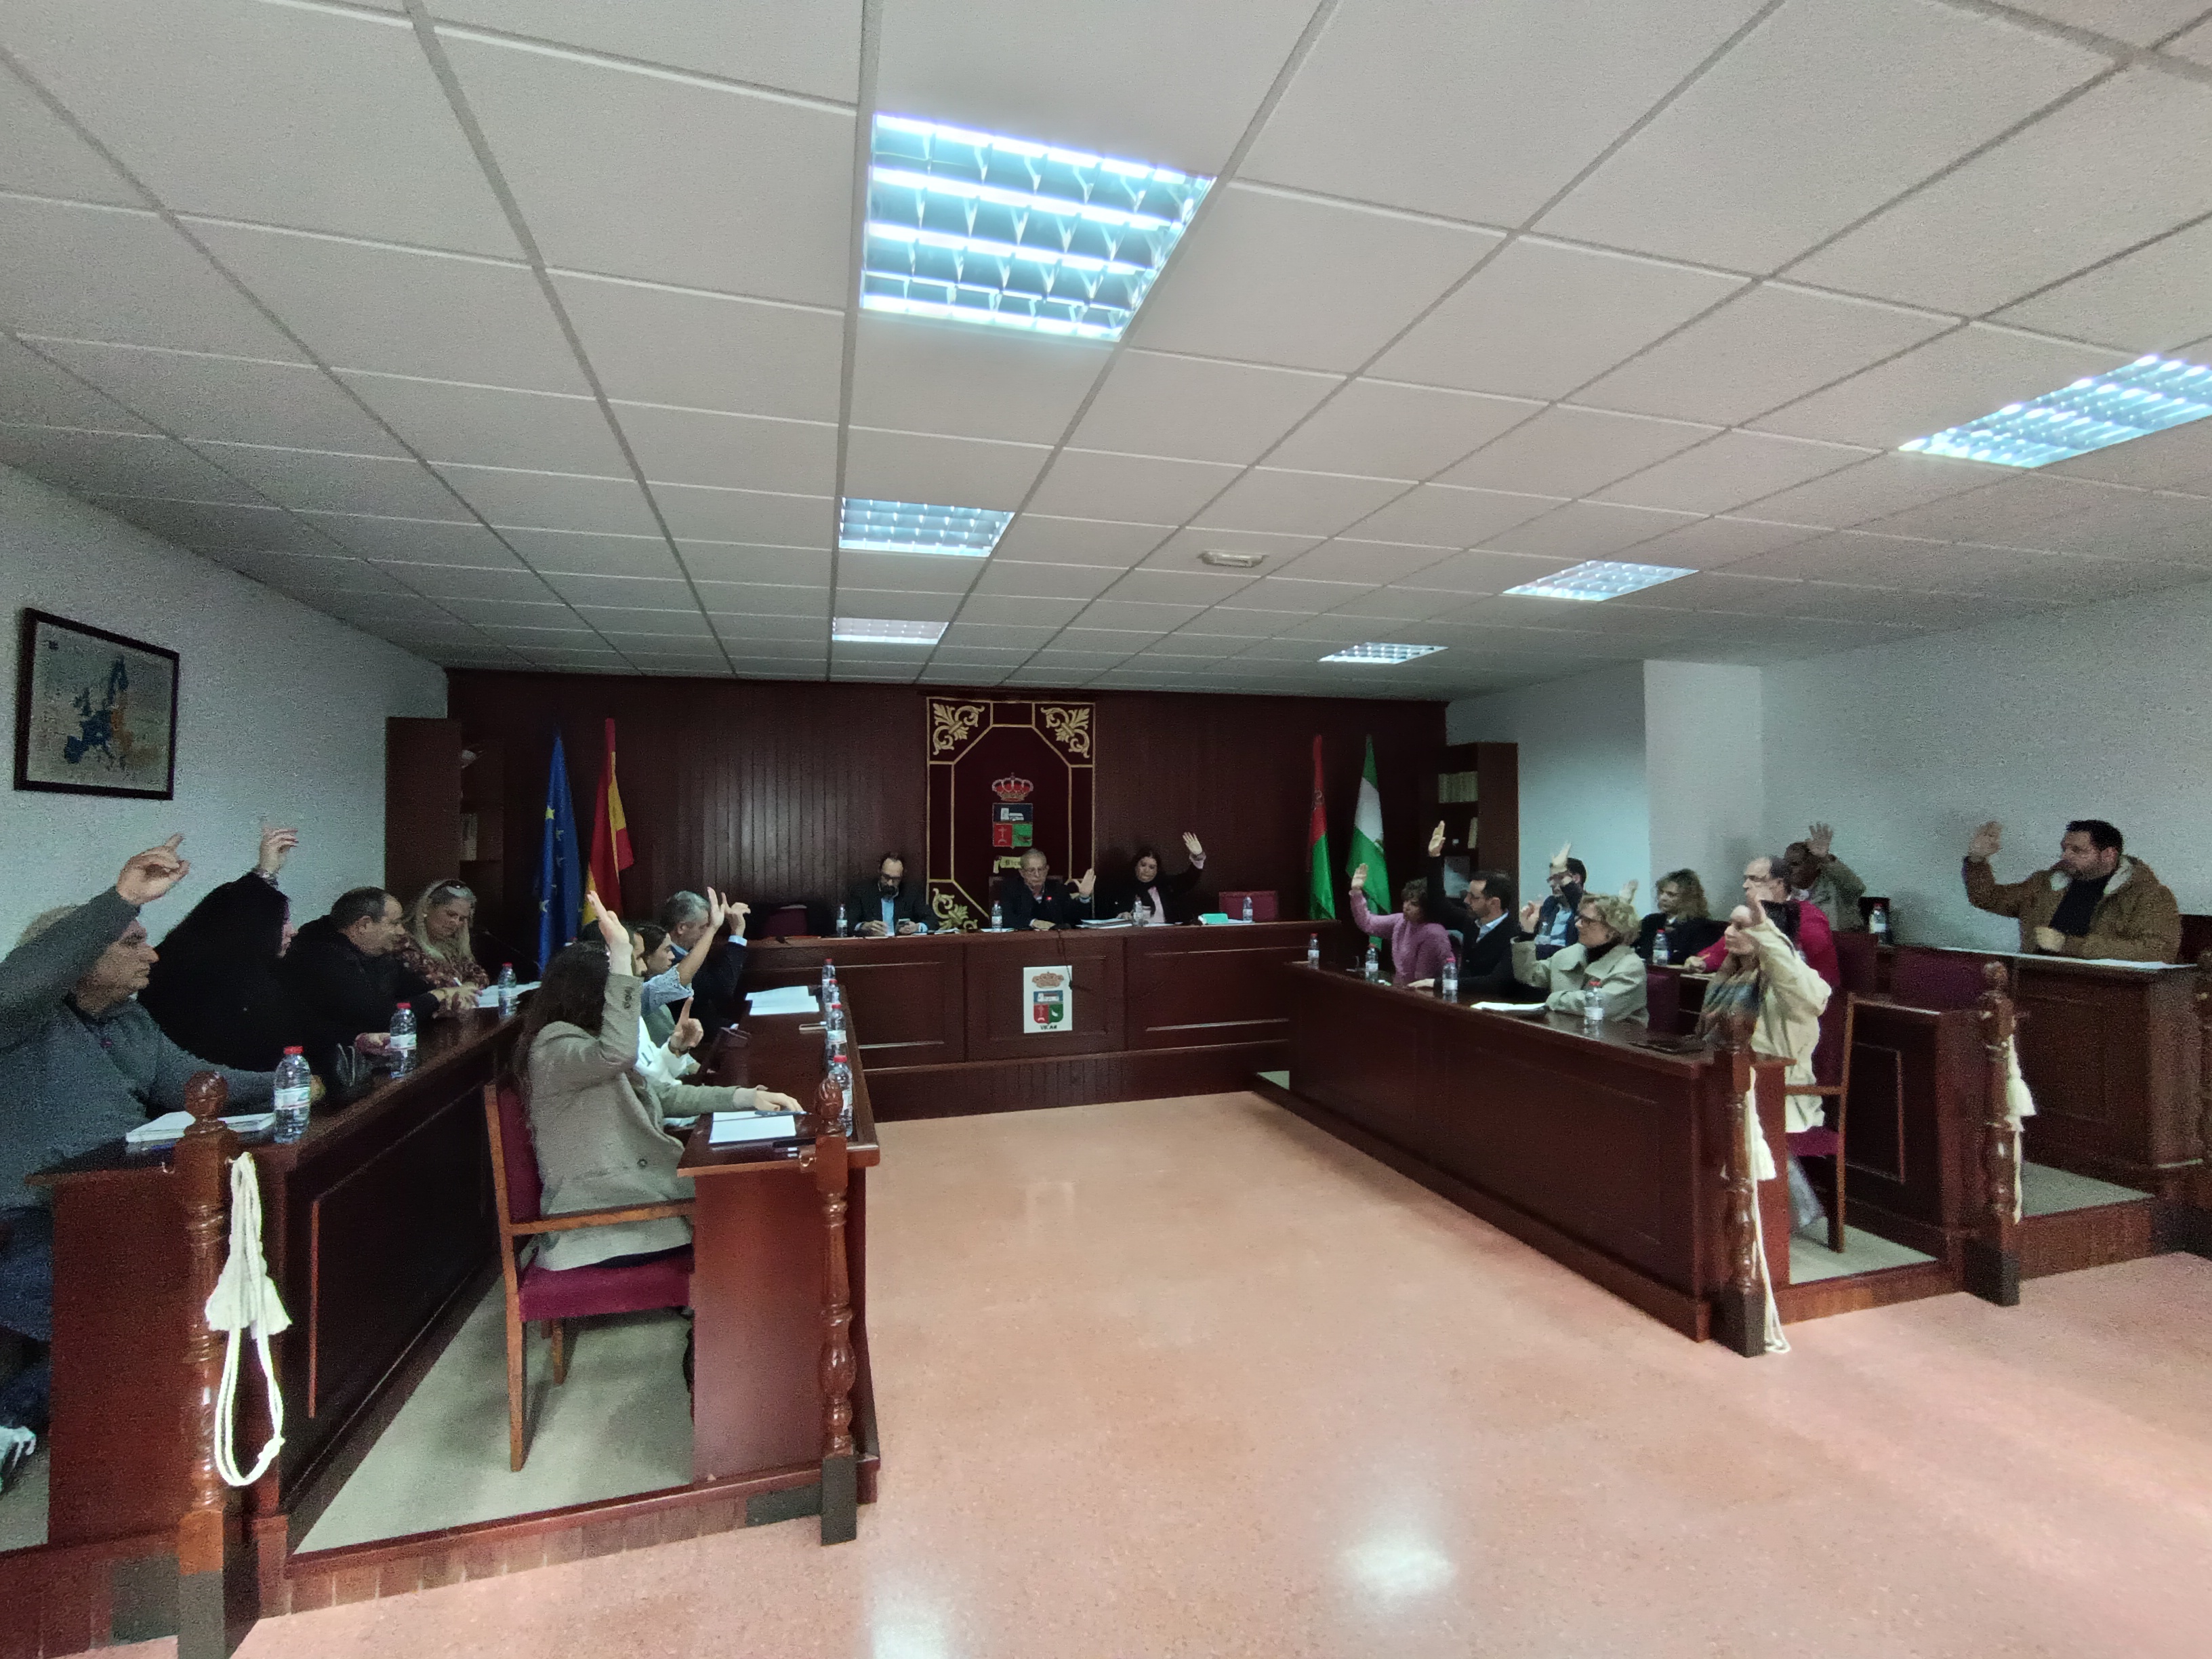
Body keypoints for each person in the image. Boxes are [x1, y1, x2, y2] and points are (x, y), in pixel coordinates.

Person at [0, 836, 280, 1483]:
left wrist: (296, 1078)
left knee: (209, 1287)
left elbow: (197, 1083)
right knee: (141, 1308)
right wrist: (121, 897)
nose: (151, 955)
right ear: (79, 957)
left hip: (118, 1207)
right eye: (131, 942)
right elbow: (23, 979)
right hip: (25, 1223)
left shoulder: (129, 1022)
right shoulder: (20, 1021)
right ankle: (19, 1418)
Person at [519, 903, 798, 1271]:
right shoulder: (555, 1048)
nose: (634, 994)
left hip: (636, 1193)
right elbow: (620, 1054)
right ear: (595, 994)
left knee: (760, 1191)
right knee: (753, 1212)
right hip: (604, 1219)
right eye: (624, 986)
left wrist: (747, 1098)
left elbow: (661, 1094)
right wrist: (621, 954)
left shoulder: (585, 1041)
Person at [1697, 894, 1834, 1232]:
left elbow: (1801, 985)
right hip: (1732, 1082)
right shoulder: (1731, 975)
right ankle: (1706, 1217)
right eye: (1730, 924)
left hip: (1780, 1092)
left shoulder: (1795, 982)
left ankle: (1756, 1222)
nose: (1728, 932)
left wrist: (1769, 936)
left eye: (1741, 927)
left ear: (1770, 934)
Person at [139, 823, 299, 1070]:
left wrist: (266, 874)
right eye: (283, 922)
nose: (293, 930)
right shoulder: (193, 978)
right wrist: (264, 872)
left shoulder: (246, 971)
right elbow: (235, 908)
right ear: (247, 929)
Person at [285, 887, 457, 1073]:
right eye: (394, 923)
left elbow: (416, 989)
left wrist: (440, 998)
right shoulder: (323, 958)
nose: (401, 931)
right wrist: (436, 998)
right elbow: (376, 1017)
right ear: (364, 925)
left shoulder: (377, 953)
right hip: (320, 1070)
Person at [1963, 819, 2181, 963]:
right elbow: (1987, 898)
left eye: (2077, 850)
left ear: (2108, 855)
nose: (2065, 856)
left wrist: (2067, 945)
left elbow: (2158, 951)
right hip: (2033, 980)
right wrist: (1977, 859)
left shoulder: (2149, 896)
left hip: (2103, 991)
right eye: (2064, 848)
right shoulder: (2046, 884)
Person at [1690, 855, 1839, 989]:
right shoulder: (1751, 914)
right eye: (1746, 879)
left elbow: (1823, 974)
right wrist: (1702, 962)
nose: (1745, 885)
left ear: (1779, 883)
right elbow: (1721, 950)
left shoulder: (1808, 916)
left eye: (1754, 879)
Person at [1422, 823, 1526, 998]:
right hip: (1463, 1000)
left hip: (1495, 1007)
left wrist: (1438, 983)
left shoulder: (1515, 935)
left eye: (1474, 897)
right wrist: (1434, 857)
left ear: (1494, 903)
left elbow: (1495, 983)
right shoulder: (1472, 922)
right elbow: (1440, 906)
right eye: (1467, 895)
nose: (1466, 901)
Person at [1513, 891, 1647, 1021]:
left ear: (1613, 930)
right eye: (1579, 918)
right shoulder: (1572, 953)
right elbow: (1529, 975)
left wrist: (1553, 999)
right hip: (1565, 1030)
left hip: (1614, 1035)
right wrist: (1527, 933)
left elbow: (1601, 1005)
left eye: (1588, 921)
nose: (1577, 925)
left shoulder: (1631, 967)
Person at [1349, 864, 1454, 989]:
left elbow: (1421, 978)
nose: (1406, 907)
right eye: (1406, 901)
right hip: (1402, 990)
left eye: (1414, 904)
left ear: (1427, 908)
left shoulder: (1434, 933)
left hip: (1423, 993)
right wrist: (1357, 891)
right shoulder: (1401, 921)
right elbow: (1368, 923)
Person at [659, 889, 748, 1032]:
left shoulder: (687, 950)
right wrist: (737, 932)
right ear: (681, 928)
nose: (706, 932)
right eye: (703, 927)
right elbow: (720, 990)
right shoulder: (666, 960)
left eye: (708, 926)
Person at [397, 878, 491, 996]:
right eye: (451, 914)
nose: (456, 923)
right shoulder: (406, 944)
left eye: (462, 919)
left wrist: (469, 986)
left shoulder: (450, 945)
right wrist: (460, 992)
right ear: (427, 907)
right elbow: (436, 984)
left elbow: (480, 975)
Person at [1098, 833, 1208, 925]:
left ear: (1157, 870)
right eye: (1143, 865)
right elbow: (1107, 913)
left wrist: (1198, 856)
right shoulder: (1121, 887)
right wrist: (1121, 916)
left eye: (1152, 867)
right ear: (1135, 865)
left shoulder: (1165, 886)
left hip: (1166, 936)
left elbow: (1189, 880)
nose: (1147, 870)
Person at [1783, 823, 1867, 934]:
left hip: (1838, 942)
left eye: (1795, 864)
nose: (1788, 869)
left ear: (1815, 865)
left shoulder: (1837, 887)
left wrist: (1825, 858)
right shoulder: (1782, 890)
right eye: (1786, 864)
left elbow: (1857, 888)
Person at [1635, 868, 1726, 963]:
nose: (1663, 898)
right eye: (1661, 892)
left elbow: (1696, 960)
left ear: (1688, 899)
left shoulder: (1702, 927)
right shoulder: (1651, 921)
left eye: (1671, 895)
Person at [997, 850, 1096, 931]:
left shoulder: (1058, 890)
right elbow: (1006, 919)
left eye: (1041, 869)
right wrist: (1033, 923)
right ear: (1022, 873)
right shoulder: (1011, 890)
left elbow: (1075, 919)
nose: (1037, 875)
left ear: (1047, 870)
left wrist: (1084, 897)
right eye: (1031, 870)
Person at [846, 854, 930, 937]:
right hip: (872, 944)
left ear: (902, 877)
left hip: (902, 944)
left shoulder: (912, 892)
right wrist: (864, 927)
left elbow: (932, 920)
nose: (890, 883)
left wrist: (917, 927)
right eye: (886, 877)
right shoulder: (861, 892)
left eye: (896, 879)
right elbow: (848, 924)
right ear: (879, 871)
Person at [1531, 846, 1585, 960]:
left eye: (1557, 878)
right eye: (1551, 879)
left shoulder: (1587, 907)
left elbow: (1578, 898)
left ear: (1575, 879)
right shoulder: (1550, 903)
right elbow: (1539, 940)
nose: (1552, 884)